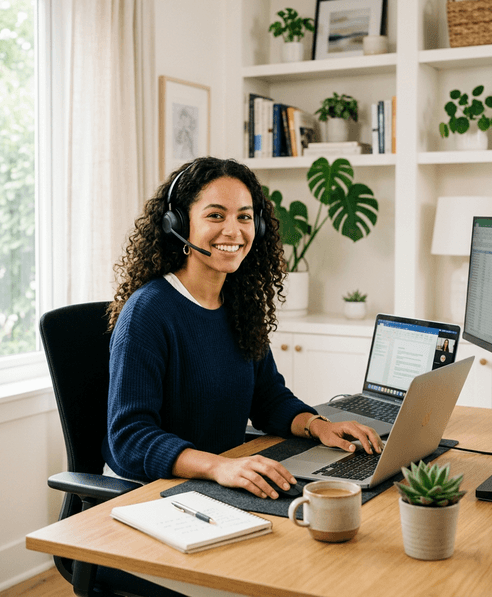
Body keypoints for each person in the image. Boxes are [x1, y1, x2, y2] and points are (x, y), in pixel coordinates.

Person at [102, 157, 383, 500]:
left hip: (224, 479)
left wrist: (318, 425)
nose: (233, 231)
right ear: (178, 223)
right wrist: (218, 467)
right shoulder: (148, 312)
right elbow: (130, 438)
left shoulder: (238, 304)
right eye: (215, 215)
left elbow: (267, 399)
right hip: (156, 491)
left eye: (245, 217)